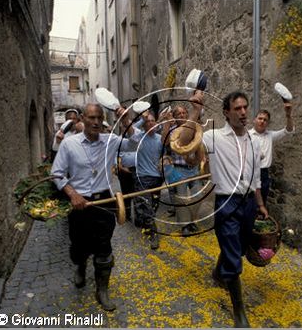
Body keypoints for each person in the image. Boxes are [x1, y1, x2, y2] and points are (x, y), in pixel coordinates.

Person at [178, 90, 267, 327]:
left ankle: (219, 273)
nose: (243, 112)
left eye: (245, 107)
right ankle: (239, 312)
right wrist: (195, 111)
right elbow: (185, 146)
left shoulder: (254, 141)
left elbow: (256, 177)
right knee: (231, 252)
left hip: (248, 204)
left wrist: (260, 204)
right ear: (226, 112)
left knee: (237, 249)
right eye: (237, 108)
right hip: (226, 203)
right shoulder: (213, 137)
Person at [50, 103, 135, 311]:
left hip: (104, 202)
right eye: (91, 118)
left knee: (104, 248)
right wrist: (73, 194)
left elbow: (136, 141)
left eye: (99, 118)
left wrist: (125, 119)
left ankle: (102, 290)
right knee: (78, 246)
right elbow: (56, 174)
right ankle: (80, 264)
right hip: (79, 204)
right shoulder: (70, 144)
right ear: (82, 120)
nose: (96, 122)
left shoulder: (111, 141)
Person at [160, 105, 205, 236]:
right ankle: (185, 225)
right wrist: (167, 124)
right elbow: (164, 142)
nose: (182, 115)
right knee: (182, 198)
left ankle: (193, 222)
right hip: (179, 169)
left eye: (184, 112)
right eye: (179, 113)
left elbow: (201, 145)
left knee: (198, 196)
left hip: (194, 168)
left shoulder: (194, 128)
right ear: (174, 116)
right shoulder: (173, 130)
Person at [249, 105, 294, 217]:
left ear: (268, 123)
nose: (262, 121)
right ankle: (248, 225)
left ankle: (258, 226)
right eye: (260, 118)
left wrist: (288, 115)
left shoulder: (270, 135)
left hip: (264, 173)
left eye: (265, 120)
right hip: (249, 172)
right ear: (254, 120)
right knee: (249, 201)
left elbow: (288, 131)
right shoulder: (247, 135)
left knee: (262, 200)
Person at [130, 112, 164, 250]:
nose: (151, 123)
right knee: (147, 206)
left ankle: (143, 219)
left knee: (154, 205)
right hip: (142, 177)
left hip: (157, 178)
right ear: (143, 125)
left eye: (152, 121)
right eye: (147, 121)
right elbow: (129, 130)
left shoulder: (161, 139)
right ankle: (153, 234)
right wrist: (141, 120)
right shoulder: (139, 138)